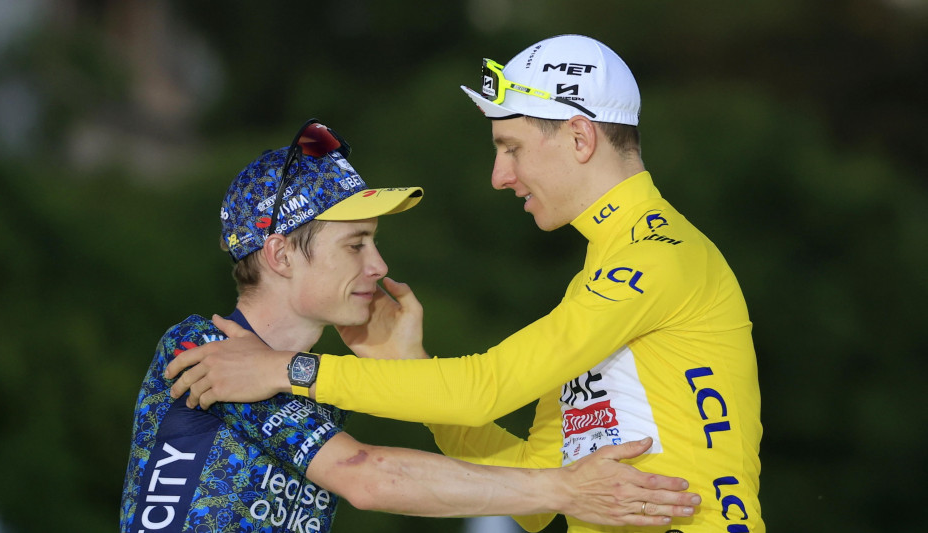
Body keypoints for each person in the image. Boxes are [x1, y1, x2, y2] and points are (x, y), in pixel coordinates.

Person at [167, 33, 762, 533]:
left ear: (581, 139)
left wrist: (285, 370)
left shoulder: (656, 257)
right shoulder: (606, 273)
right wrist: (410, 366)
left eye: (511, 148)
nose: (500, 175)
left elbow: (485, 389)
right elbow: (535, 490)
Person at [121, 118, 700, 533]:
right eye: (356, 244)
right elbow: (369, 478)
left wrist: (409, 367)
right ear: (280, 255)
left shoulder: (284, 377)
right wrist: (567, 488)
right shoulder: (206, 351)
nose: (379, 266)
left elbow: (513, 500)